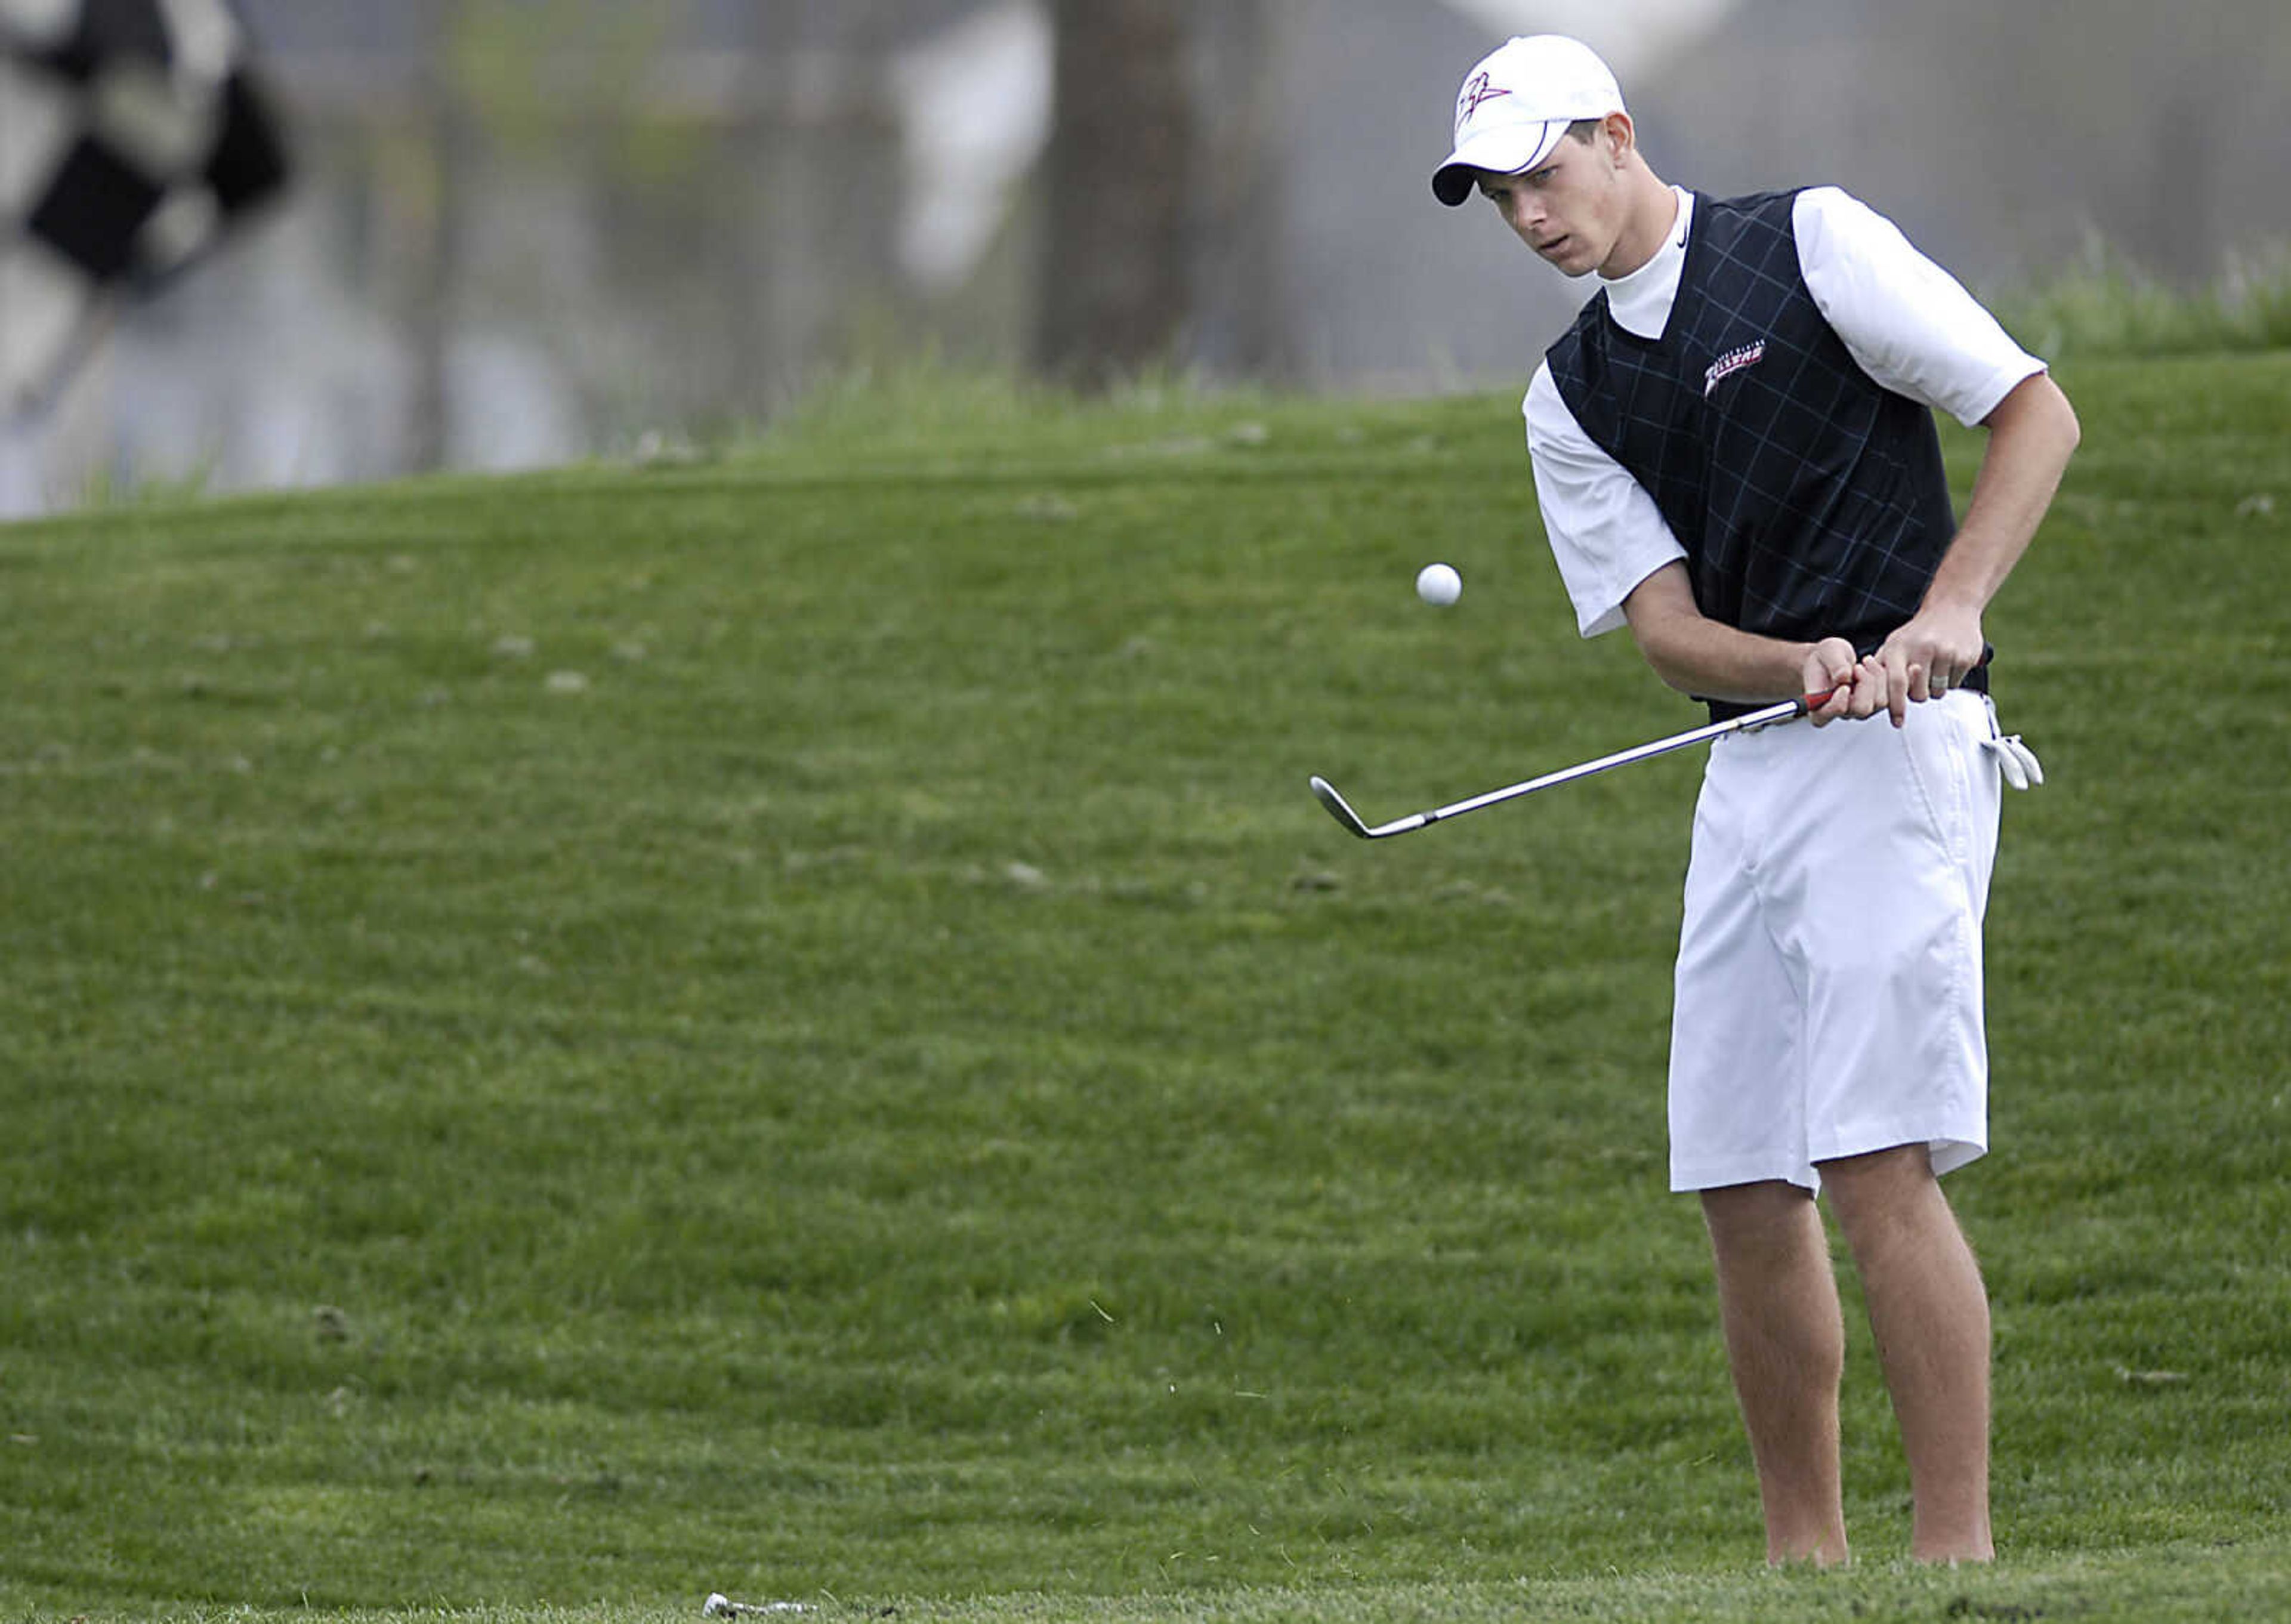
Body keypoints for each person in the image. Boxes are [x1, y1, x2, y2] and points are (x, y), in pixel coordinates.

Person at [1430, 35, 2079, 1565]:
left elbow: (2033, 411)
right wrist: (1789, 661)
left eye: (1543, 173)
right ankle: (1806, 1567)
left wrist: (1949, 610)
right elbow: (1662, 629)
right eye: (1497, 196)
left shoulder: (1807, 243)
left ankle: (1953, 1561)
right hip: (1751, 758)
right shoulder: (1568, 392)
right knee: (1737, 1171)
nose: (1528, 215)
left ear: (1617, 133)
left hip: (1904, 751)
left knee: (1873, 1156)